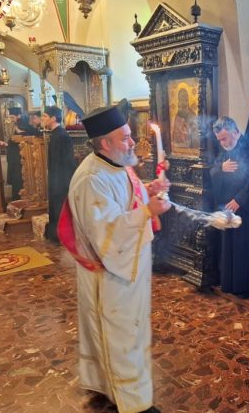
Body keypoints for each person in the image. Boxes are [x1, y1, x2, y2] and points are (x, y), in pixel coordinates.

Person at [58, 105, 171, 413]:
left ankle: (107, 386)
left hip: (128, 268)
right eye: (125, 138)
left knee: (126, 330)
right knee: (121, 334)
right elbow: (105, 232)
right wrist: (148, 211)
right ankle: (133, 402)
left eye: (130, 135)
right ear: (105, 143)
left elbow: (125, 198)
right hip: (111, 275)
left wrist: (148, 190)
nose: (132, 142)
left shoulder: (116, 164)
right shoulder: (91, 178)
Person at [210, 116, 249, 297]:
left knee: (243, 248)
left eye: (224, 138)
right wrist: (221, 168)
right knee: (229, 247)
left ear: (235, 132)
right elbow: (213, 169)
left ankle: (245, 288)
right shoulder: (225, 150)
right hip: (228, 206)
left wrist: (239, 200)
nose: (222, 143)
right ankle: (230, 285)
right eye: (219, 140)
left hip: (247, 208)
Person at [42, 106, 76, 243]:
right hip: (57, 178)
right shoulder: (56, 134)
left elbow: (66, 161)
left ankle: (61, 235)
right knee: (56, 206)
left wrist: (57, 182)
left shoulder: (61, 135)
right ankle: (55, 233)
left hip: (61, 180)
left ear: (53, 118)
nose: (43, 119)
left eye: (45, 116)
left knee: (60, 207)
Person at [5, 107, 35, 201]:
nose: (11, 120)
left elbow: (24, 140)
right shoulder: (15, 125)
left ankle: (20, 202)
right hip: (14, 160)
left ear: (19, 116)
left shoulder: (24, 126)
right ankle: (16, 202)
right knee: (16, 182)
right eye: (10, 117)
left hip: (20, 161)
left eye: (12, 117)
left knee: (19, 182)